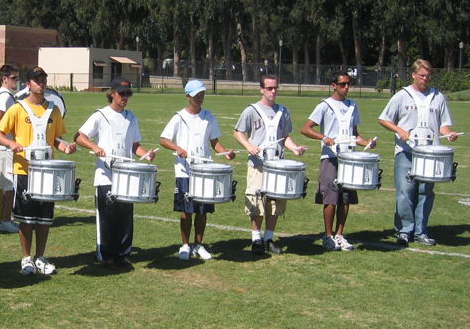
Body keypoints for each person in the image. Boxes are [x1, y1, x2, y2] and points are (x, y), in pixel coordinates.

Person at [0, 67, 76, 276]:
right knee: (25, 217)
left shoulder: (53, 110)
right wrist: (11, 144)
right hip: (24, 171)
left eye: (43, 80)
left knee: (45, 218)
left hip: (47, 171)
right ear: (28, 84)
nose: (41, 83)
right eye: (37, 80)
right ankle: (26, 258)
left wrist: (65, 147)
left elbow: (55, 139)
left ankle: (40, 257)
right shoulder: (17, 108)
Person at [76, 76, 155, 269]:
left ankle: (122, 254)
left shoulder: (131, 118)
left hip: (126, 177)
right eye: (122, 93)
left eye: (128, 93)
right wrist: (95, 147)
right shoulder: (100, 115)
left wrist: (146, 154)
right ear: (112, 93)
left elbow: (135, 145)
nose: (125, 97)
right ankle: (105, 254)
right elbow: (79, 136)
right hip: (105, 176)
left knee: (124, 217)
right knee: (106, 217)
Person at [378, 59, 458, 246]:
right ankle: (404, 231)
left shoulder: (437, 96)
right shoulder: (402, 95)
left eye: (428, 76)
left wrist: (449, 134)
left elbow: (443, 125)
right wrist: (399, 131)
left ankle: (421, 231)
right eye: (421, 75)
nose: (425, 79)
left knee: (425, 192)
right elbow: (384, 119)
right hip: (406, 152)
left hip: (430, 154)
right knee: (405, 192)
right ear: (413, 75)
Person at [159, 79, 235, 261]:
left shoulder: (209, 117)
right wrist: (177, 148)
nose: (199, 98)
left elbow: (214, 142)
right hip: (185, 172)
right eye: (195, 95)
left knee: (202, 210)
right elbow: (163, 139)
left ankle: (198, 245)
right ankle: (184, 245)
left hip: (205, 171)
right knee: (187, 210)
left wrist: (226, 153)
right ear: (187, 96)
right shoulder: (179, 117)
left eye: (201, 94)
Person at [301, 71, 376, 251]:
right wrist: (324, 137)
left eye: (348, 83)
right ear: (334, 85)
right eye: (342, 84)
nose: (346, 87)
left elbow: (354, 134)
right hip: (331, 158)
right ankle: (328, 236)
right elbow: (306, 128)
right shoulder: (325, 105)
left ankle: (340, 234)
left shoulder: (352, 105)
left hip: (349, 158)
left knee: (345, 197)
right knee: (330, 197)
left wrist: (367, 142)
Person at [234, 75, 306, 255]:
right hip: (258, 165)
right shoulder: (251, 110)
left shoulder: (283, 111)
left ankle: (268, 239)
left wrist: (295, 149)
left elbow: (285, 136)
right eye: (269, 88)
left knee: (275, 203)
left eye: (275, 88)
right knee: (256, 201)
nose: (273, 91)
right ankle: (256, 239)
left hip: (278, 166)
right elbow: (238, 132)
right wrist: (249, 146)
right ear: (261, 89)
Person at [0, 64, 21, 233]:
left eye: (17, 78)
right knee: (9, 185)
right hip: (4, 145)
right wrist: (13, 127)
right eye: (14, 78)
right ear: (5, 79)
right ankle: (4, 220)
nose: (17, 81)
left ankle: (3, 219)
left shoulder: (7, 95)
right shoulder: (4, 96)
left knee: (6, 185)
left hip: (5, 145)